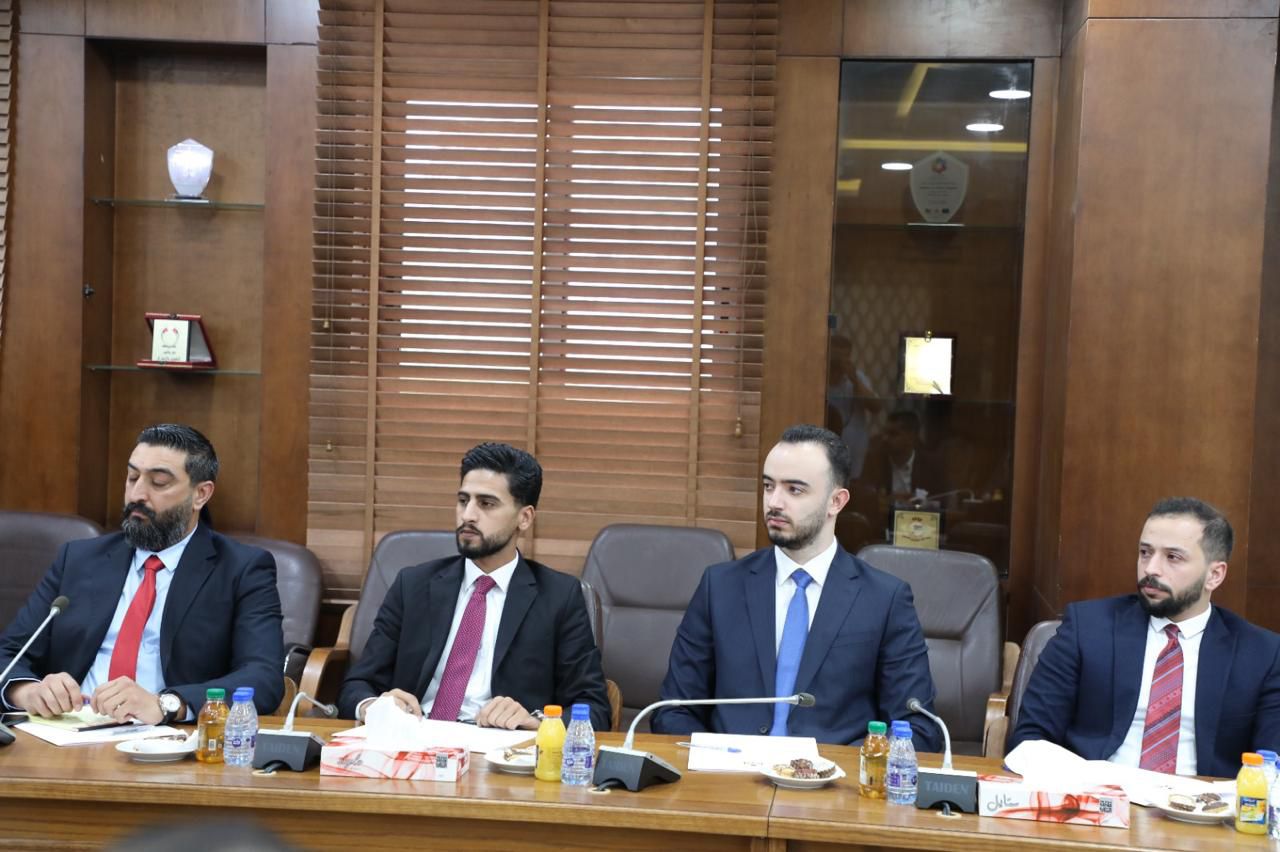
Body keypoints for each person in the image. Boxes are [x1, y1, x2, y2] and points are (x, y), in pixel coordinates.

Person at [652, 424, 942, 748]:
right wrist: (717, 759)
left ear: (836, 502)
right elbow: (672, 710)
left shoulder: (884, 599)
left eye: (794, 490)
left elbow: (918, 727)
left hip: (837, 775)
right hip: (730, 772)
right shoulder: (720, 587)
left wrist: (849, 767)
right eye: (768, 486)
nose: (774, 502)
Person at [0, 424, 284, 724]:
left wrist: (167, 704)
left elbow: (263, 677)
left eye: (159, 483)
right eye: (132, 477)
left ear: (200, 494)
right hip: (69, 730)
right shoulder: (79, 559)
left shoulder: (242, 569)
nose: (137, 494)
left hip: (168, 737)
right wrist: (27, 691)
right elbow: (11, 651)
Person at [338, 442, 610, 731]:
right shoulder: (413, 585)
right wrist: (374, 706)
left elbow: (593, 707)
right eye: (463, 500)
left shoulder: (559, 597)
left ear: (524, 518)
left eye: (486, 504)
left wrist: (535, 721)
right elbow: (357, 685)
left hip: (500, 746)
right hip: (416, 739)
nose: (468, 515)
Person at [1010, 497, 1280, 777]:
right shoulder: (1087, 628)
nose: (1151, 569)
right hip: (1096, 794)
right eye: (1145, 552)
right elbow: (1031, 738)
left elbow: (1272, 766)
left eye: (1173, 557)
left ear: (1214, 575)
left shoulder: (1263, 654)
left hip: (1200, 801)